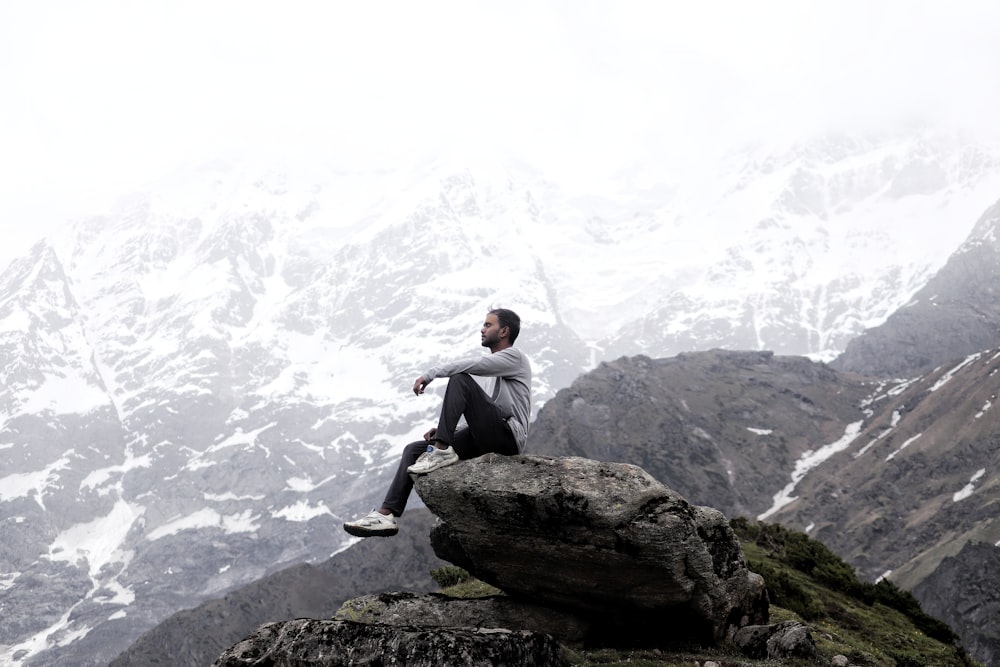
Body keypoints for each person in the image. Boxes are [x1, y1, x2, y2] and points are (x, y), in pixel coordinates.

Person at [343, 307, 532, 537]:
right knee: (413, 451)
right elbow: (492, 413)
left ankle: (441, 450)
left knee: (460, 379)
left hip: (508, 439)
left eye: (487, 325)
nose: (482, 329)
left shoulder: (515, 358)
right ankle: (385, 515)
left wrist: (431, 374)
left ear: (504, 331)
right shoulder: (495, 368)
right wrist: (448, 430)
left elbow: (470, 370)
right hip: (486, 436)